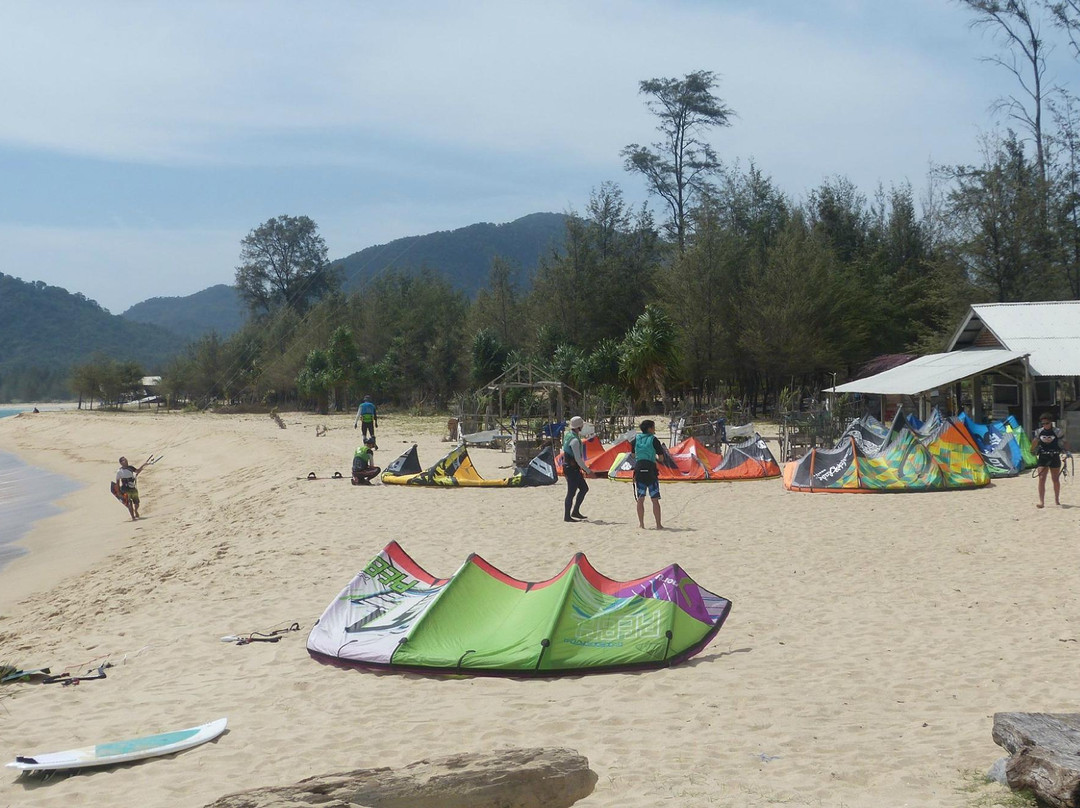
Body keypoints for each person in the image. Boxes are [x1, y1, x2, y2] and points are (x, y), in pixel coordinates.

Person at [630, 419, 676, 530]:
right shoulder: (654, 440)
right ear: (650, 428)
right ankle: (658, 525)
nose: (654, 429)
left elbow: (633, 455)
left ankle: (641, 524)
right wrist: (654, 458)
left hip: (639, 469)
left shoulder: (636, 439)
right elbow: (661, 458)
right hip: (651, 470)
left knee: (640, 499)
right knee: (654, 499)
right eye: (653, 427)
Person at [562, 416, 596, 522]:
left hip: (571, 468)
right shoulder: (575, 441)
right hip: (571, 469)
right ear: (578, 427)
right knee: (571, 492)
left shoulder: (568, 435)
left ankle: (575, 511)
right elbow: (578, 459)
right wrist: (588, 471)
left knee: (584, 488)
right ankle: (567, 516)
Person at [1031, 412, 1069, 508]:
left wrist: (1067, 452)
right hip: (1043, 457)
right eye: (1043, 423)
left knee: (1055, 479)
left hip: (1054, 456)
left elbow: (1065, 442)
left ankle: (1057, 499)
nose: (1045, 425)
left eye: (1047, 423)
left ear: (1051, 422)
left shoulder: (1058, 431)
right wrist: (1031, 450)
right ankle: (1041, 502)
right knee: (1041, 478)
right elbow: (1035, 442)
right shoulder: (1038, 432)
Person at [115, 455, 149, 520]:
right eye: (124, 460)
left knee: (137, 503)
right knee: (129, 502)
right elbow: (117, 482)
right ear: (121, 463)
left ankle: (135, 510)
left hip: (132, 487)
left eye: (126, 460)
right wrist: (118, 492)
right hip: (125, 489)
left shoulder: (130, 467)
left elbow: (137, 471)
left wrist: (144, 464)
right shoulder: (119, 471)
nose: (126, 461)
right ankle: (133, 517)